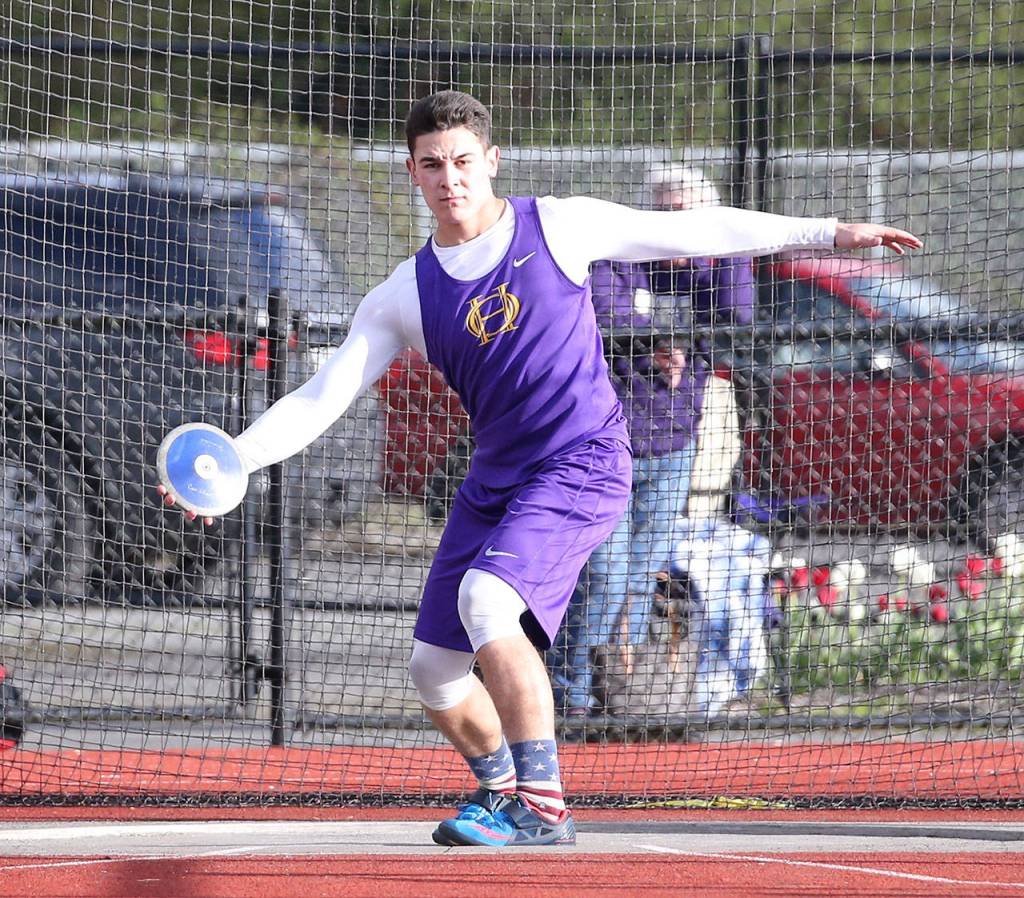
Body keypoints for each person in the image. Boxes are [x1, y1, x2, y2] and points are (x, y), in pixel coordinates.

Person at [159, 90, 922, 847]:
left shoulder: (559, 224)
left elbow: (696, 228)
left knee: (488, 601)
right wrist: (235, 461)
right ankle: (501, 793)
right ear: (412, 172)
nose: (450, 178)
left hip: (582, 460)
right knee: (434, 670)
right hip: (495, 478)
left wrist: (828, 232)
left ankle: (544, 806)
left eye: (463, 160)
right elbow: (319, 397)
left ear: (491, 161)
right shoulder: (402, 295)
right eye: (433, 164)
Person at [552, 164, 756, 716]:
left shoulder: (706, 273)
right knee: (605, 574)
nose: (673, 226)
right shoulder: (616, 259)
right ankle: (569, 697)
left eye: (686, 216)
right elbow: (604, 312)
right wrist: (655, 346)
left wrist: (727, 244)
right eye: (664, 213)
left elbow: (738, 316)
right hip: (605, 450)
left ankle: (615, 694)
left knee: (642, 579)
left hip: (674, 450)